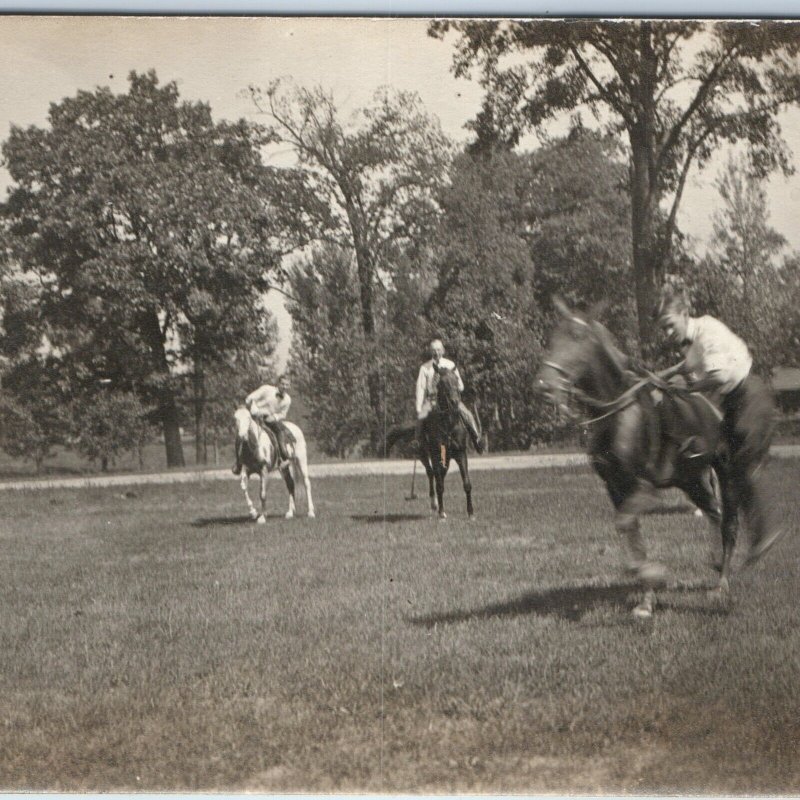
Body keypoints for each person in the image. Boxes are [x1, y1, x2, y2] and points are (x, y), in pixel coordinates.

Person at [655, 288, 784, 566]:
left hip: (750, 396)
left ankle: (766, 531)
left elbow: (719, 375)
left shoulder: (708, 330)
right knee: (727, 467)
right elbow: (689, 363)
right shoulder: (689, 341)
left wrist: (688, 390)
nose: (666, 333)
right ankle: (742, 537)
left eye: (669, 325)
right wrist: (665, 375)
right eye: (662, 328)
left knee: (742, 461)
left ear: (683, 313)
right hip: (732, 404)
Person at [415, 338, 484, 454]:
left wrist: (454, 392)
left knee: (468, 415)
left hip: (450, 400)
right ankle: (418, 444)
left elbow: (460, 385)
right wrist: (418, 407)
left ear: (443, 350)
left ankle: (477, 440)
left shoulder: (450, 365)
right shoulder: (425, 368)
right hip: (432, 400)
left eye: (438, 350)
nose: (436, 353)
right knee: (421, 418)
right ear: (430, 352)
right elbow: (420, 388)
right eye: (433, 350)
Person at [233, 374, 292, 474]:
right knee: (241, 435)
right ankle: (239, 464)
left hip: (270, 419)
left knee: (279, 433)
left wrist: (274, 417)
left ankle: (283, 458)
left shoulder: (287, 399)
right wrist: (254, 409)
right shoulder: (267, 389)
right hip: (255, 417)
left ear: (289, 386)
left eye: (287, 385)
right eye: (282, 384)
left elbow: (283, 414)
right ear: (278, 383)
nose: (284, 387)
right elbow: (250, 398)